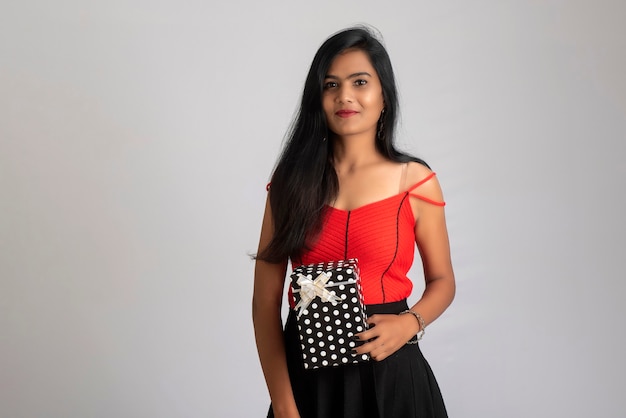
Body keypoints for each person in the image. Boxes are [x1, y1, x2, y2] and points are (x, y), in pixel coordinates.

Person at [252, 26, 455, 418]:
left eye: (359, 82)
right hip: (306, 384)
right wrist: (284, 406)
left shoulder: (416, 180)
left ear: (383, 96)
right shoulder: (289, 184)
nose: (344, 95)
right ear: (318, 99)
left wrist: (409, 323)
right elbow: (264, 304)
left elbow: (443, 281)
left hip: (394, 378)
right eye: (331, 85)